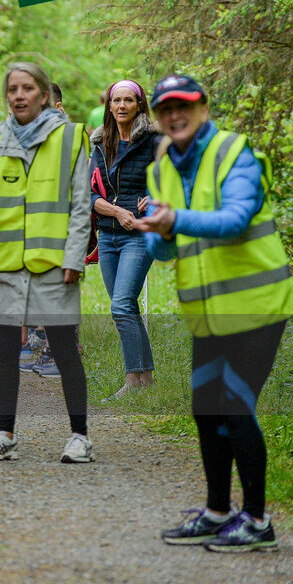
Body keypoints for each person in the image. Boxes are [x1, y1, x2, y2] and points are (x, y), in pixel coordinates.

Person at [134, 75, 293, 552]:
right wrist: (162, 233)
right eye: (165, 108)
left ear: (203, 108)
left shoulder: (234, 152)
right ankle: (216, 512)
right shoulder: (162, 168)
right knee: (206, 410)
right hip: (208, 312)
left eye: (183, 106)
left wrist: (175, 221)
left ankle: (258, 521)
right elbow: (162, 250)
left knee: (235, 405)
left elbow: (236, 218)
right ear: (158, 116)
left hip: (257, 308)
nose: (174, 115)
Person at [0, 62, 93, 463]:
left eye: (28, 88)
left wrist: (74, 258)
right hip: (6, 262)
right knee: (7, 351)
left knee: (64, 350)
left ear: (44, 95)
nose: (19, 95)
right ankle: (4, 433)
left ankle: (80, 437)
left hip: (53, 262)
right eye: (13, 89)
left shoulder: (71, 136)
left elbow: (81, 204)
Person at [89, 79, 161, 399]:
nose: (121, 106)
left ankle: (132, 381)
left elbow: (171, 178)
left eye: (128, 100)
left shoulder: (153, 141)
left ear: (139, 105)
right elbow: (88, 193)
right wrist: (116, 212)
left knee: (120, 306)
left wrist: (155, 197)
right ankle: (146, 380)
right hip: (108, 234)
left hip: (140, 234)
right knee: (126, 306)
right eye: (116, 100)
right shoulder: (100, 143)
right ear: (109, 106)